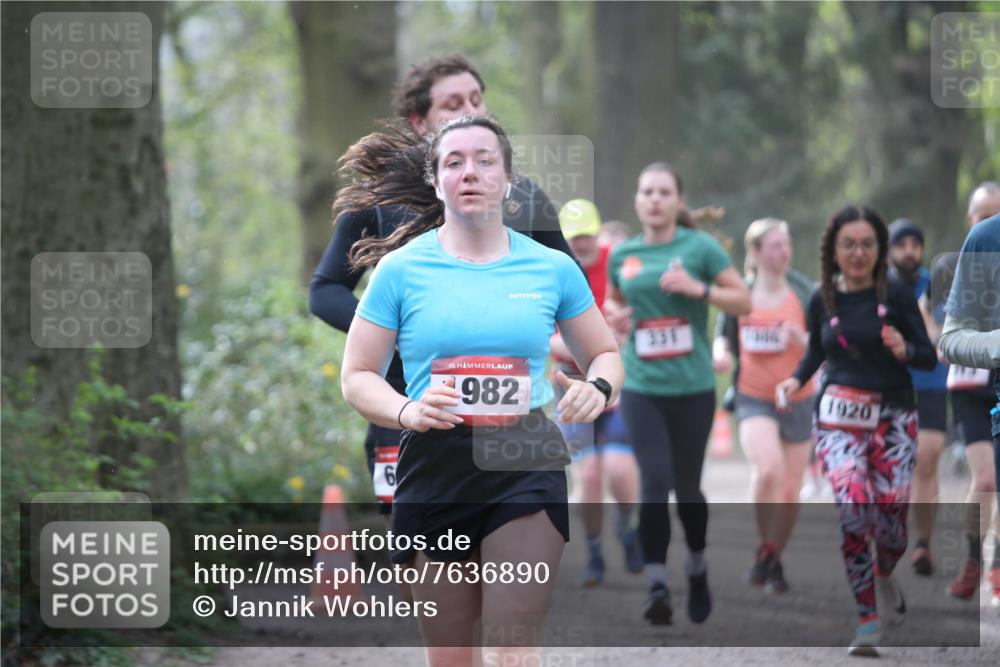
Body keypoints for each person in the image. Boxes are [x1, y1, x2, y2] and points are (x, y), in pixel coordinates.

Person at [339, 115, 623, 666]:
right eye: (455, 162)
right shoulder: (399, 271)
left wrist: (599, 386)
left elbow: (604, 353)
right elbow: (357, 374)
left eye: (485, 160)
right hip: (435, 465)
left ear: (509, 180)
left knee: (512, 647)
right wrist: (407, 410)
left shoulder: (552, 268)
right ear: (436, 181)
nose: (470, 172)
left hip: (524, 459)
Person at [309, 54, 577, 519]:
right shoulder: (381, 197)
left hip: (509, 417)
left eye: (476, 99)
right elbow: (325, 289)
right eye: (453, 104)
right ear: (419, 122)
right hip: (405, 401)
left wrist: (575, 341)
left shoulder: (522, 197)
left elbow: (570, 290)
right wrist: (393, 331)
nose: (470, 110)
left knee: (514, 530)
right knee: (416, 548)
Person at [776, 205, 935, 656]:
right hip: (838, 421)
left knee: (892, 527)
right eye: (849, 245)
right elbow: (814, 352)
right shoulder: (821, 298)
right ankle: (867, 621)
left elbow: (927, 356)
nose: (858, 253)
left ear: (879, 249)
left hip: (894, 418)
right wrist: (794, 381)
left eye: (867, 244)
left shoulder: (896, 294)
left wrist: (905, 348)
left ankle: (885, 570)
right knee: (853, 509)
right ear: (834, 251)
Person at [605, 162, 751, 625]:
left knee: (687, 489)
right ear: (637, 200)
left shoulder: (700, 248)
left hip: (692, 387)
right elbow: (613, 301)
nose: (654, 199)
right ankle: (656, 584)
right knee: (653, 482)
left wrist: (698, 288)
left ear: (678, 201)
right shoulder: (622, 254)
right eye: (647, 192)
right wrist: (616, 317)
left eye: (663, 192)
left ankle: (696, 565)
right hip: (642, 386)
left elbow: (743, 300)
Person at [712, 218, 815, 594]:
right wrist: (721, 354)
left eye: (786, 244)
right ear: (755, 252)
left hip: (799, 397)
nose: (783, 252)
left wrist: (800, 339)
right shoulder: (741, 293)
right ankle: (765, 544)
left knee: (790, 489)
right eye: (774, 245)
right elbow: (723, 337)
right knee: (769, 468)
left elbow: (824, 345)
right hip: (753, 396)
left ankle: (772, 556)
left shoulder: (804, 292)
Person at [550, 199, 642, 586]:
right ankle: (594, 552)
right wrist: (584, 347)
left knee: (620, 468)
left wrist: (628, 325)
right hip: (572, 386)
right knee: (588, 476)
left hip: (617, 383)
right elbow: (541, 335)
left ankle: (627, 526)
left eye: (587, 236)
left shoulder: (617, 263)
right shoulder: (554, 268)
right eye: (574, 238)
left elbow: (643, 308)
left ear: (598, 234)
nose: (581, 245)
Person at [927, 183, 1000, 602]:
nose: (989, 221)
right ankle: (973, 560)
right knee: (986, 477)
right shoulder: (952, 265)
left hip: (993, 381)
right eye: (983, 215)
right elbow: (942, 330)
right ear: (970, 219)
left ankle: (997, 565)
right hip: (970, 383)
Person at [886, 218, 949, 577]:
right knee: (893, 468)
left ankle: (923, 543)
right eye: (901, 245)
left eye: (915, 244)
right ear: (889, 251)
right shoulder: (877, 287)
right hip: (889, 386)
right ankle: (888, 537)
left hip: (931, 382)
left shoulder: (937, 284)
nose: (909, 251)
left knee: (927, 458)